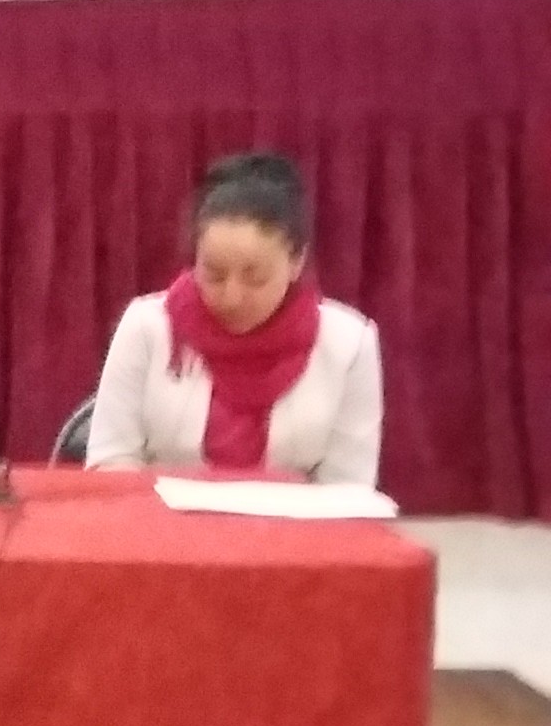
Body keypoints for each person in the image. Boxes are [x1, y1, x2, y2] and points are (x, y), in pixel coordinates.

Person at [87, 152, 381, 483]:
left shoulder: (349, 345)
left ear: (296, 262)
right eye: (214, 274)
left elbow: (350, 487)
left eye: (255, 278)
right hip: (160, 513)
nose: (232, 297)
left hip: (295, 518)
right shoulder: (146, 327)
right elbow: (110, 461)